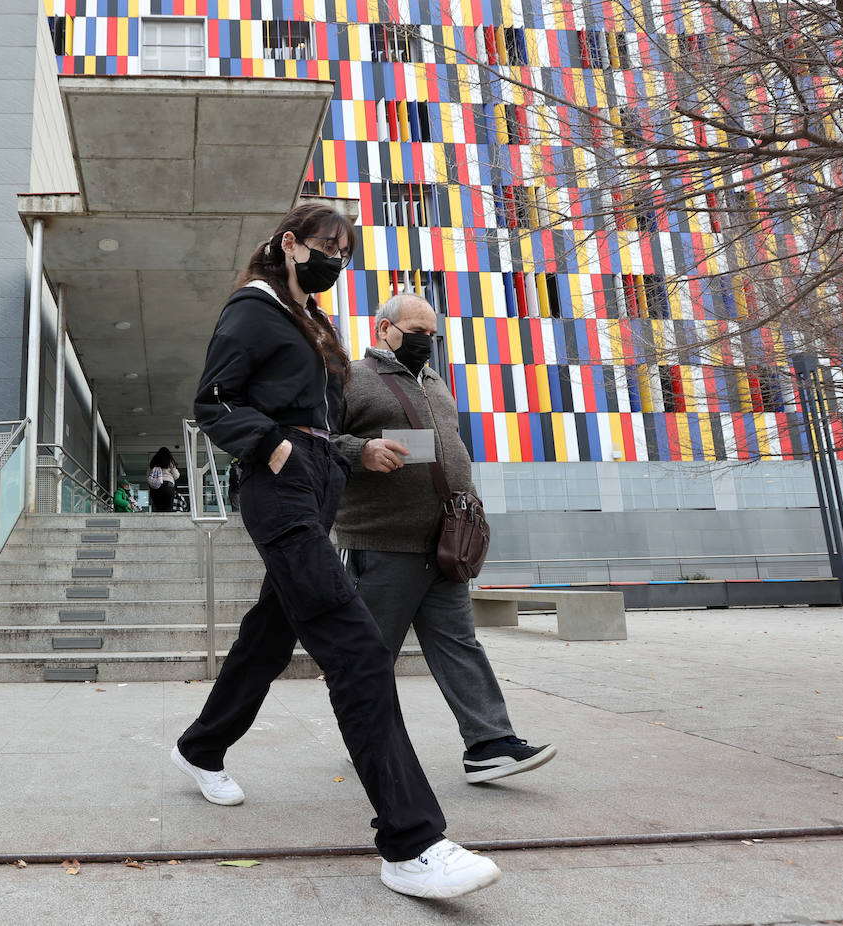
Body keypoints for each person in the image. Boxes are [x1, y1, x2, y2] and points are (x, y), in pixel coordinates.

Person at [169, 203, 500, 900]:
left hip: (317, 489)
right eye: (326, 246)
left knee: (269, 634)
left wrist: (331, 460)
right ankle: (411, 843)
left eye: (345, 252)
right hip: (281, 489)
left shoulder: (309, 320)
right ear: (289, 244)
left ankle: (201, 744)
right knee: (355, 649)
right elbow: (215, 402)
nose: (335, 261)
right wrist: (276, 445)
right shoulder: (252, 310)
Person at [332, 293, 557, 784]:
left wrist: (471, 506)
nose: (423, 343)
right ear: (382, 330)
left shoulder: (434, 382)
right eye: (413, 332)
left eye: (430, 335)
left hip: (445, 545)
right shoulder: (351, 378)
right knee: (372, 654)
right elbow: (317, 440)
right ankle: (367, 740)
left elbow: (447, 450)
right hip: (382, 543)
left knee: (460, 644)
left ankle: (489, 745)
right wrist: (362, 448)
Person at [148, 447, 180, 512]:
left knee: (157, 509)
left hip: (155, 487)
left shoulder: (153, 462)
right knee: (168, 508)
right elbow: (176, 476)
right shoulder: (170, 462)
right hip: (168, 485)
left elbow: (148, 475)